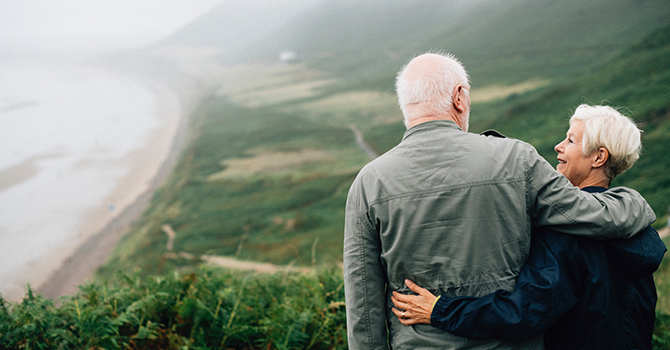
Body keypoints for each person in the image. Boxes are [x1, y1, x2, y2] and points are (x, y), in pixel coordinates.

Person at [343, 52, 656, 350]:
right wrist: (636, 203)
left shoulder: (368, 184)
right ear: (459, 97)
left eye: (571, 140)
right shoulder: (516, 159)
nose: (561, 146)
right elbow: (590, 214)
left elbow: (363, 306)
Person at [390, 104, 667, 349]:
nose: (559, 146)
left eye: (571, 140)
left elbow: (524, 313)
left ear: (598, 158)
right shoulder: (637, 228)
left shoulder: (567, 234)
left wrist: (440, 310)